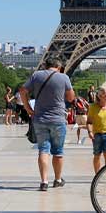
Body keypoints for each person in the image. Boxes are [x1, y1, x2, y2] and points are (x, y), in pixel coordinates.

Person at [21, 55, 75, 191]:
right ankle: (57, 179)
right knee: (58, 152)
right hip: (58, 119)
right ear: (59, 66)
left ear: (45, 65)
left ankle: (44, 181)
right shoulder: (64, 77)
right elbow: (71, 97)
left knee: (43, 150)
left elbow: (22, 91)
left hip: (40, 119)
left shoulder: (36, 75)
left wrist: (28, 108)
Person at [87, 87, 106, 173]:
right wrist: (90, 132)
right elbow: (89, 122)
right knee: (97, 155)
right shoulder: (93, 107)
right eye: (105, 95)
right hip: (97, 135)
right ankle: (97, 175)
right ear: (99, 96)